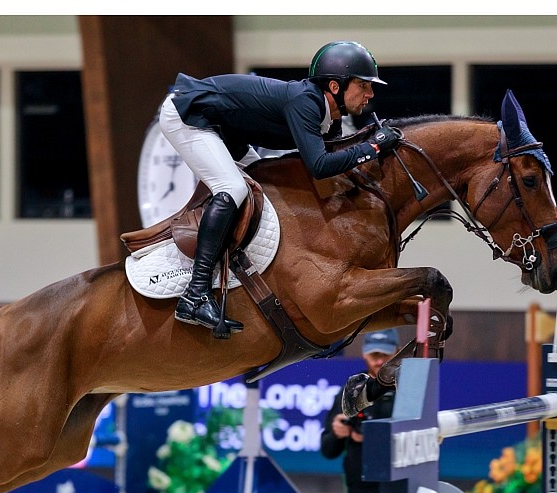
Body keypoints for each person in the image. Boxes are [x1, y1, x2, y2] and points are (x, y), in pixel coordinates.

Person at [159, 41, 403, 334]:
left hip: (227, 132)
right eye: (363, 85)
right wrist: (374, 145)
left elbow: (333, 165)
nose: (370, 94)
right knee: (233, 189)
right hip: (190, 115)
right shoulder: (306, 102)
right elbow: (320, 166)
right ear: (335, 87)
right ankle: (195, 293)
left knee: (261, 185)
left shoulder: (330, 120)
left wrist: (372, 146)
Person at [320, 328, 399, 493]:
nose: (379, 361)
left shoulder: (409, 391)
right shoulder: (351, 392)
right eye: (374, 355)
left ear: (396, 355)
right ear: (365, 356)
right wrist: (338, 433)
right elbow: (327, 449)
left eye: (385, 355)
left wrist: (369, 437)